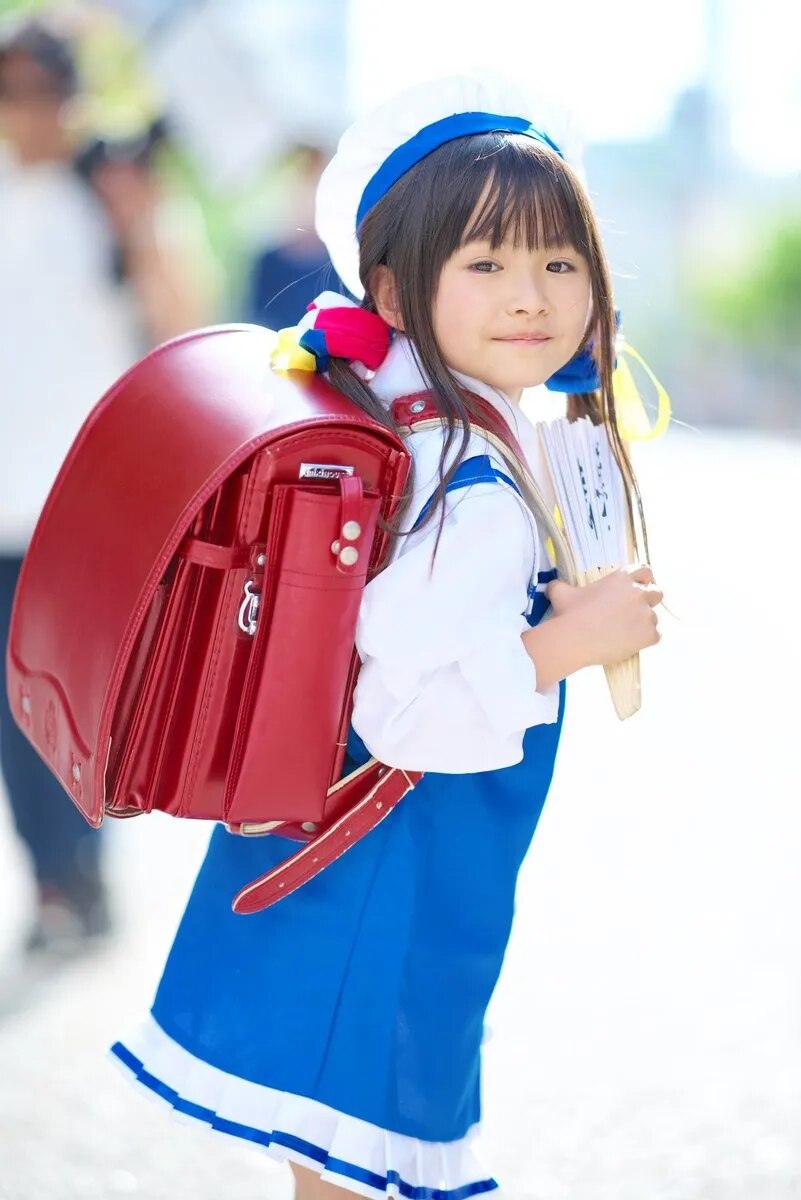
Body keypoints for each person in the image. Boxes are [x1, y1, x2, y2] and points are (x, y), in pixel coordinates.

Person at [110, 74, 663, 1199]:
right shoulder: (475, 484)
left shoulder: (420, 417)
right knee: (357, 1148)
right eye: (489, 264)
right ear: (396, 294)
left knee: (337, 1150)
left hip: (367, 854)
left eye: (560, 263)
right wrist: (571, 642)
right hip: (391, 864)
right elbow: (402, 709)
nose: (533, 297)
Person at [0, 19, 210, 955]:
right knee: (14, 711)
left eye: (43, 93)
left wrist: (138, 222)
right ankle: (54, 883)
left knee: (80, 703)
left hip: (85, 506)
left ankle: (83, 875)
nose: (28, 114)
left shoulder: (114, 192)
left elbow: (183, 324)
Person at [245, 142, 348, 331]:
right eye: (303, 182)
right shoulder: (269, 261)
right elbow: (253, 322)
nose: (308, 196)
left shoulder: (344, 262)